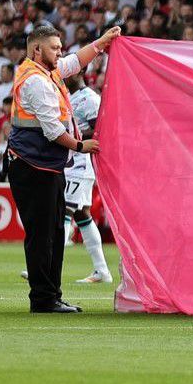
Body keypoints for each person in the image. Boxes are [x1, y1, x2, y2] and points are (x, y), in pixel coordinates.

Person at [7, 24, 121, 313]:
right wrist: (82, 146)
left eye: (59, 48)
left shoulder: (46, 71)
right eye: (54, 48)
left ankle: (50, 295)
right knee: (43, 234)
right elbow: (52, 130)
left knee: (53, 232)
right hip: (34, 165)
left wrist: (101, 43)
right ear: (37, 50)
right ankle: (44, 299)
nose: (60, 53)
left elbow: (74, 61)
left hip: (44, 164)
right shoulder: (36, 81)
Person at [62, 73, 111, 283]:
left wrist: (76, 136)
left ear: (81, 73)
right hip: (71, 163)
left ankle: (47, 267)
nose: (65, 75)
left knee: (63, 209)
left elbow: (101, 130)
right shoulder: (68, 97)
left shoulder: (89, 98)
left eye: (70, 71)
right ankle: (102, 271)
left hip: (81, 165)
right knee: (82, 215)